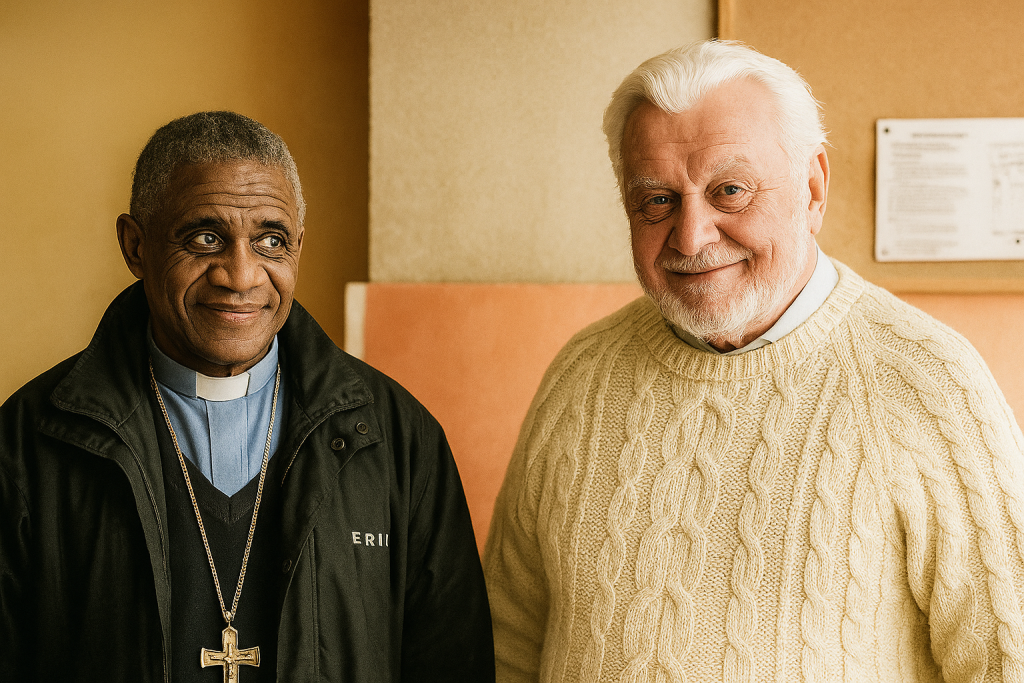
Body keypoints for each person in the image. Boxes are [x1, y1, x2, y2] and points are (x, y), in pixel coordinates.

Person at [484, 40, 1024, 682]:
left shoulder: (929, 381)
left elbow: (1006, 658)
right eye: (656, 200)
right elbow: (505, 641)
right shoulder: (581, 374)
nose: (691, 236)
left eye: (730, 191)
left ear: (814, 187)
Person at [0, 111, 494, 682]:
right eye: (205, 238)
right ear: (135, 246)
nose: (241, 275)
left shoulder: (399, 442)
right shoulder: (28, 443)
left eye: (270, 241)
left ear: (298, 249)